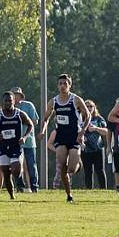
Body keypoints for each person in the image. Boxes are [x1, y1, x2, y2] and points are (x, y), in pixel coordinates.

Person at [38, 74, 91, 204]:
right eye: (60, 83)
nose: (62, 86)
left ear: (69, 85)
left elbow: (88, 115)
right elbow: (45, 118)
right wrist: (43, 131)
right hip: (61, 136)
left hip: (74, 135)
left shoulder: (75, 100)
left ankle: (78, 165)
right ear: (57, 85)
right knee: (61, 164)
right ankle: (69, 194)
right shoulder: (54, 101)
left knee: (71, 169)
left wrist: (82, 131)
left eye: (65, 83)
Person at [0, 91, 34, 200]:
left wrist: (24, 137)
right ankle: (11, 196)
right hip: (3, 147)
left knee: (15, 169)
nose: (8, 103)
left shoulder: (19, 114)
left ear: (14, 101)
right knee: (6, 172)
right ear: (3, 102)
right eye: (6, 101)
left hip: (16, 146)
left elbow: (30, 125)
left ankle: (18, 178)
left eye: (10, 100)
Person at [11, 87, 40, 193]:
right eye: (13, 94)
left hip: (29, 141)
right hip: (15, 141)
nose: (14, 96)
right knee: (16, 164)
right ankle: (20, 186)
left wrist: (24, 122)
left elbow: (35, 121)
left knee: (31, 164)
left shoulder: (28, 105)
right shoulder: (9, 107)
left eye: (16, 94)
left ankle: (34, 186)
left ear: (20, 96)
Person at [80, 100, 109, 189]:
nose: (89, 108)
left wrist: (96, 128)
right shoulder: (80, 119)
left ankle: (103, 189)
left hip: (98, 148)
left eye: (91, 106)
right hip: (85, 149)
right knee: (88, 171)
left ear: (94, 107)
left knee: (100, 170)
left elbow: (106, 131)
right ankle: (89, 189)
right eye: (87, 106)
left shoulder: (99, 119)